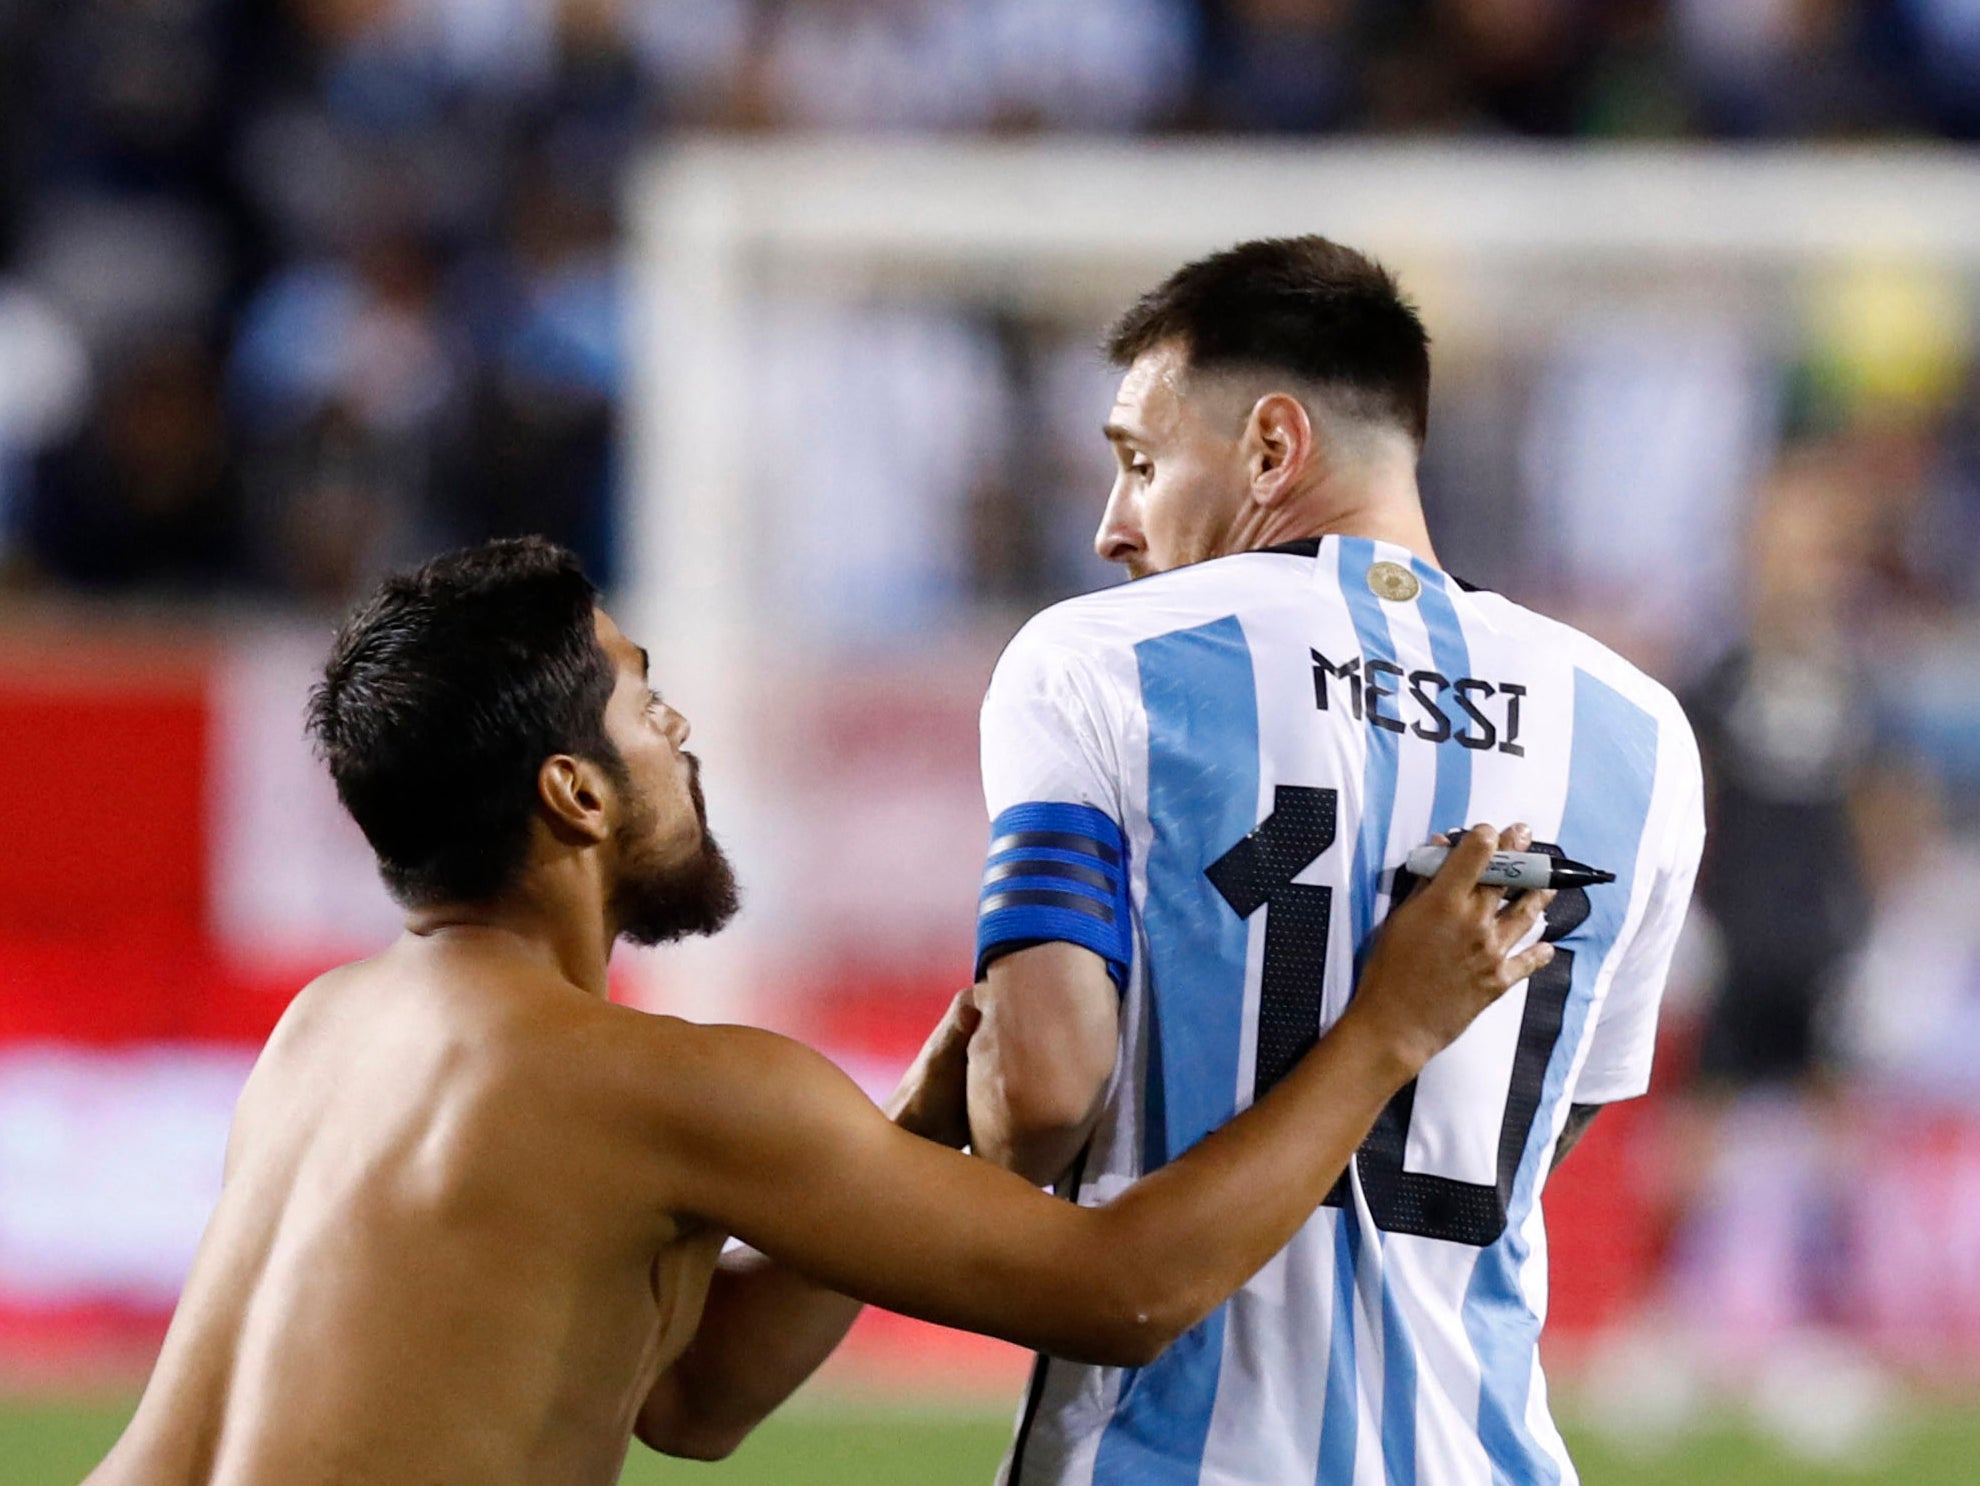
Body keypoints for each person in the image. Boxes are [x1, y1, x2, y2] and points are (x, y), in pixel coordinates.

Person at [84, 537, 1555, 1486]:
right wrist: (1386, 1030)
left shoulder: (323, 1035)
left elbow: (691, 1396)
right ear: (574, 792)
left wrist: (919, 1136)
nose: (679, 731)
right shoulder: (658, 1085)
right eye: (640, 700)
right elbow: (1124, 1292)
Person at [965, 238, 1706, 1486]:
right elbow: (1540, 1133)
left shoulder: (1096, 660)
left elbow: (1038, 1098)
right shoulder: (1636, 728)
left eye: (1140, 465)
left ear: (1271, 447)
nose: (1112, 528)